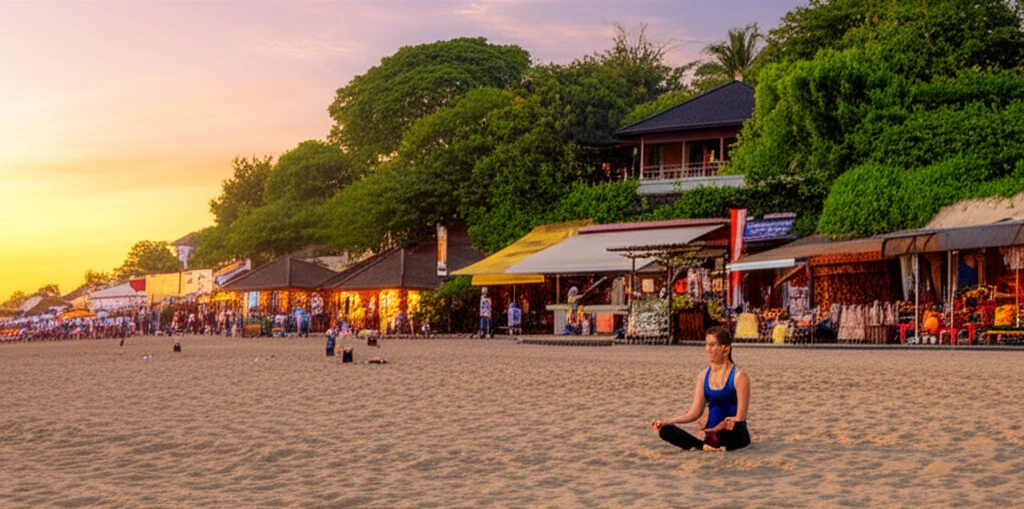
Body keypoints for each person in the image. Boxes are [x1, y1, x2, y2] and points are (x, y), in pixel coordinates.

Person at [651, 326, 751, 451]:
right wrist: (669, 421)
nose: (707, 349)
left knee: (732, 427)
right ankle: (703, 447)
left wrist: (718, 427)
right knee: (666, 430)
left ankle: (710, 444)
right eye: (706, 345)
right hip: (710, 436)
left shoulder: (739, 377)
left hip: (731, 433)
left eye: (712, 345)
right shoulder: (703, 376)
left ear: (725, 350)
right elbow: (694, 413)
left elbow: (740, 417)